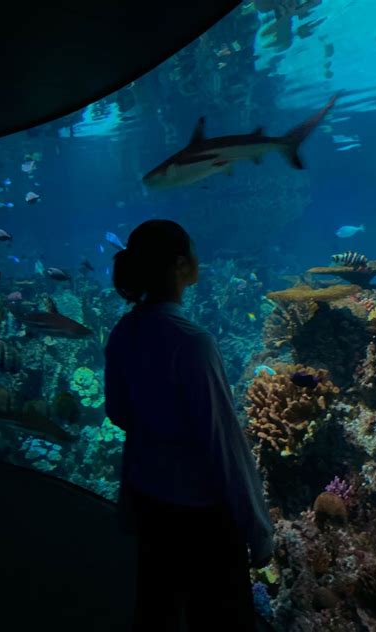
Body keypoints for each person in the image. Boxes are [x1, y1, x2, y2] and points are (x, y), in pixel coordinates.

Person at [104, 219, 274, 632]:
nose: (201, 260)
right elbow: (223, 443)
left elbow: (118, 414)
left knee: (155, 612)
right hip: (201, 517)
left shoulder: (124, 331)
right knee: (219, 620)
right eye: (194, 253)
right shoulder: (192, 341)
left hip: (148, 502)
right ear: (180, 265)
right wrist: (258, 528)